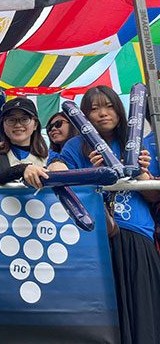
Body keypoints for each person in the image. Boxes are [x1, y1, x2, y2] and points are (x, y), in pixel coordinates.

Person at [47, 85, 160, 344]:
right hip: (94, 239)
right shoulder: (77, 145)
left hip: (136, 237)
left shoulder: (137, 143)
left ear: (120, 111)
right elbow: (57, 168)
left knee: (143, 312)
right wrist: (90, 174)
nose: (102, 113)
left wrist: (141, 173)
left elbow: (153, 196)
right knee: (104, 316)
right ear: (84, 115)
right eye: (94, 108)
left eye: (108, 106)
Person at [0, 97, 48, 188]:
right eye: (11, 120)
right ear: (3, 125)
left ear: (35, 124)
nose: (18, 125)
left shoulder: (48, 156)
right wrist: (22, 169)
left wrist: (58, 162)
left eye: (25, 119)